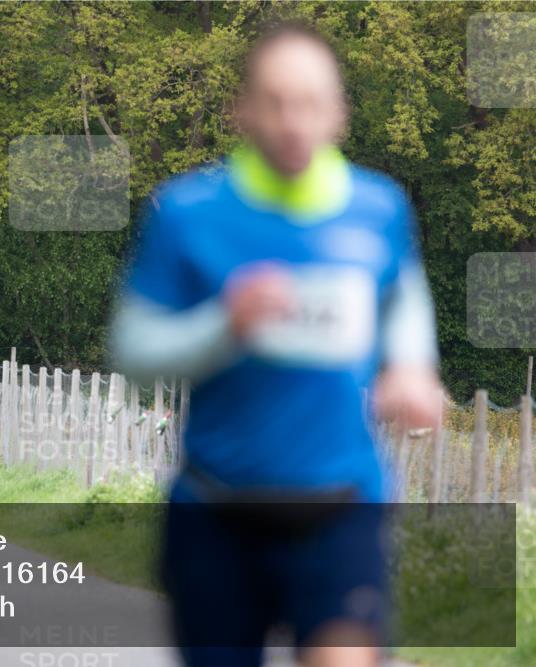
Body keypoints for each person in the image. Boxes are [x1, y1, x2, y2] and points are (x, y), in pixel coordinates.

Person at [110, 22, 443, 667]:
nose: (294, 121)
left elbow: (402, 294)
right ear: (243, 110)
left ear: (340, 113)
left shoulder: (379, 208)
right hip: (218, 508)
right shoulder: (185, 212)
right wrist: (224, 325)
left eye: (311, 102)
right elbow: (132, 348)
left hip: (341, 503)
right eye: (276, 101)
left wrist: (410, 365)